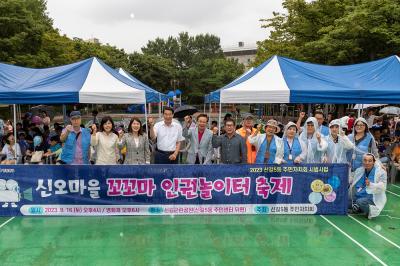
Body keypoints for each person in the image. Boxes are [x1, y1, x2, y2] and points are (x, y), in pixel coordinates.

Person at [349, 153, 387, 219]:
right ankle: (358, 207)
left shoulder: (381, 172)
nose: (367, 163)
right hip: (360, 195)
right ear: (362, 161)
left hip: (372, 198)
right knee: (347, 200)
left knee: (360, 202)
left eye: (370, 161)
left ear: (374, 162)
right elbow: (351, 179)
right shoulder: (359, 170)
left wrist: (371, 184)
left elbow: (383, 186)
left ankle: (370, 212)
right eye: (365, 160)